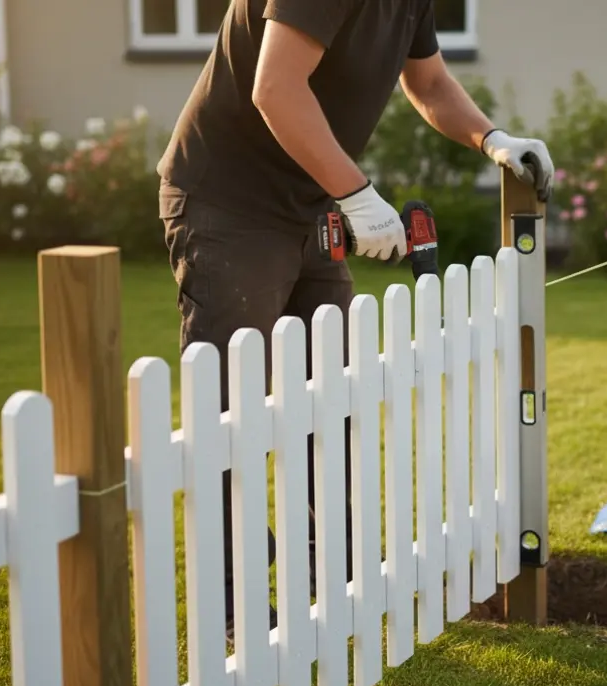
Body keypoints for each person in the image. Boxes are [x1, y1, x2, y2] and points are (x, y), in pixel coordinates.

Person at [155, 0, 554, 642]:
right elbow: (275, 87)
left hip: (311, 205)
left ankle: (334, 582)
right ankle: (234, 605)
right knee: (234, 408)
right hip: (228, 202)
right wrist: (357, 192)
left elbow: (429, 84)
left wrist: (493, 139)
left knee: (333, 398)